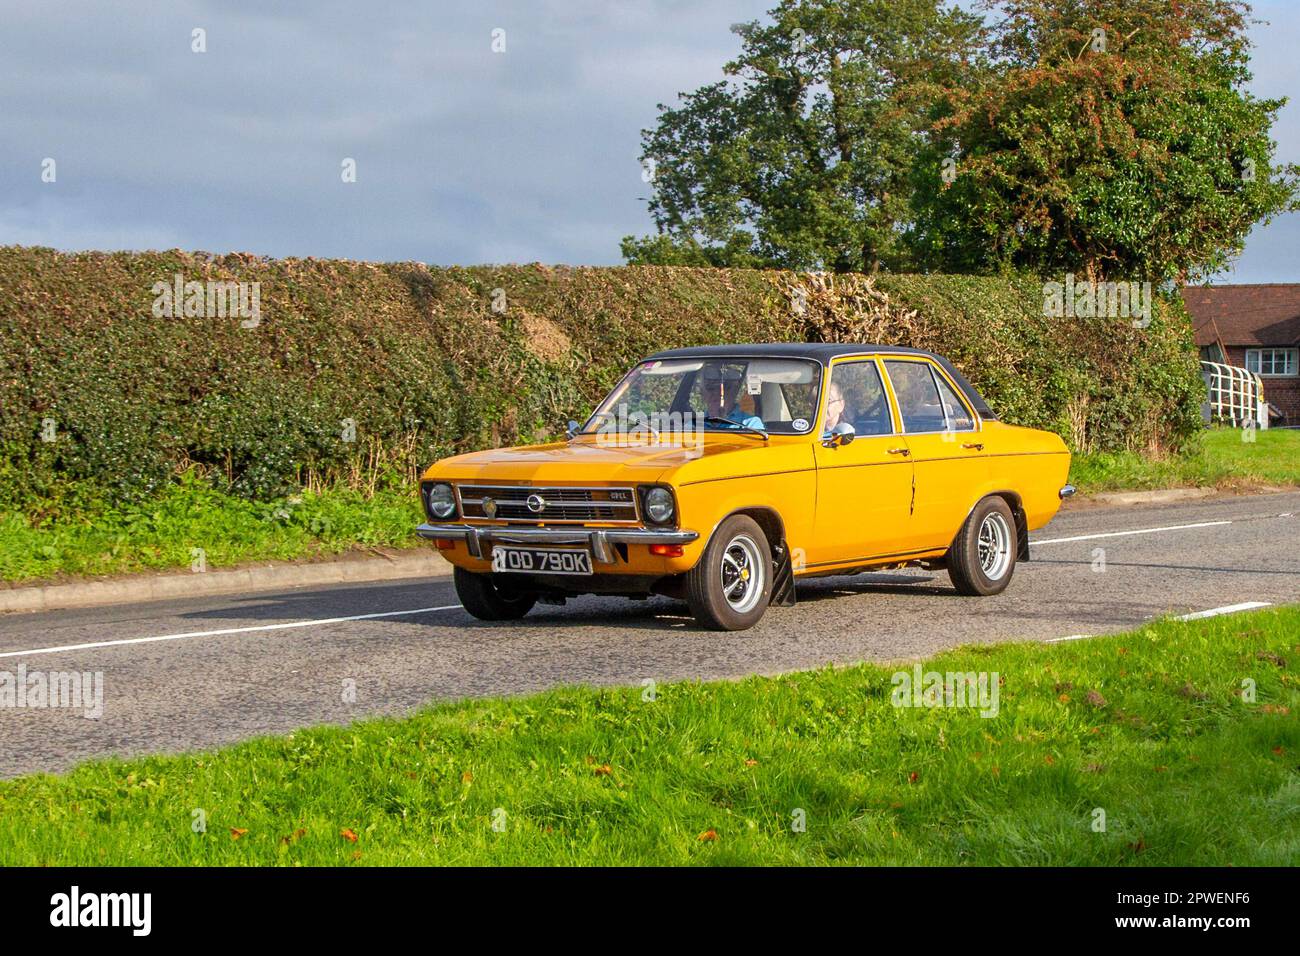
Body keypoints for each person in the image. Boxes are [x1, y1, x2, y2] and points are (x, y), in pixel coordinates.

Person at [700, 364, 765, 430]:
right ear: (702, 393)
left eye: (726, 387)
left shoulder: (750, 424)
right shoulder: (695, 424)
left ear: (734, 392)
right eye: (710, 388)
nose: (717, 393)